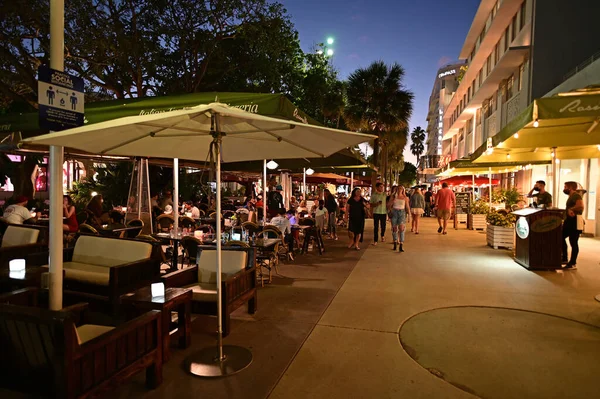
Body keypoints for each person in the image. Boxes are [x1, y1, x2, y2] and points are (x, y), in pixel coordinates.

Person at [562, 181, 585, 269]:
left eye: (565, 187)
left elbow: (581, 206)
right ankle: (564, 257)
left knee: (573, 242)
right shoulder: (570, 196)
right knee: (561, 236)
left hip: (575, 221)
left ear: (570, 187)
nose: (564, 189)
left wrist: (571, 209)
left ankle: (572, 263)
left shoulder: (576, 195)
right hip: (569, 220)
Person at [387, 186, 410, 252]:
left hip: (402, 213)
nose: (400, 190)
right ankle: (395, 241)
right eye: (398, 189)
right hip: (394, 212)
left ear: (403, 190)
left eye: (401, 189)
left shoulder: (405, 198)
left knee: (401, 228)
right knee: (394, 228)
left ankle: (401, 244)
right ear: (396, 189)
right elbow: (388, 205)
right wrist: (392, 201)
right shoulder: (393, 196)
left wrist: (409, 216)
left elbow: (407, 207)